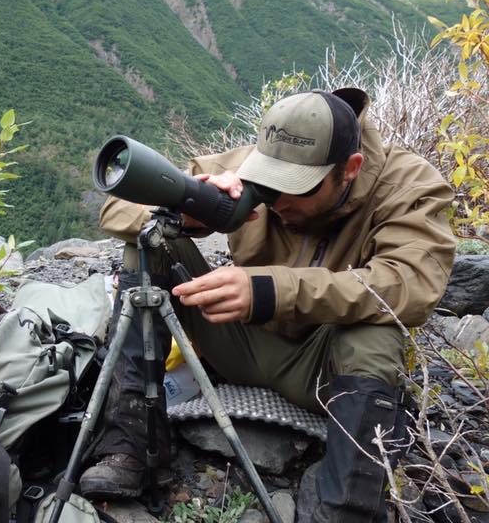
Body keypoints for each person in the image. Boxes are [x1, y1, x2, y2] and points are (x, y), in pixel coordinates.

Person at [79, 88, 455, 522]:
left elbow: (410, 284)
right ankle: (132, 447)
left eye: (297, 188)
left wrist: (270, 290)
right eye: (268, 186)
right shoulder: (251, 167)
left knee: (375, 328)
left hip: (321, 369)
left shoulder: (410, 186)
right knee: (148, 247)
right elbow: (116, 207)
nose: (277, 201)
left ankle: (345, 510)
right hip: (237, 340)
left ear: (350, 169)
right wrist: (184, 209)